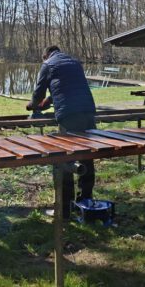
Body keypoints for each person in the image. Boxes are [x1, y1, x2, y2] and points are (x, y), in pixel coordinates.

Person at [27, 46, 96, 218]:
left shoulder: (48, 64)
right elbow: (65, 87)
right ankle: (85, 201)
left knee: (65, 159)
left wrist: (33, 105)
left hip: (69, 115)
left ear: (45, 56)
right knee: (87, 156)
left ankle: (65, 209)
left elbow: (39, 92)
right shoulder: (74, 62)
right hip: (88, 111)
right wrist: (47, 102)